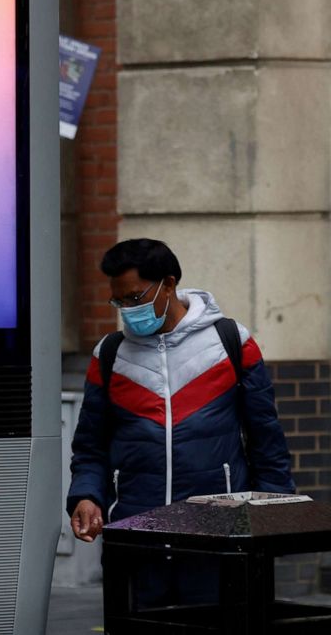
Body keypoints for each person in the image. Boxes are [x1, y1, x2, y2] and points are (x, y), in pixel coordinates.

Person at [66, 238, 294, 605]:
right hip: (136, 536)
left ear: (168, 284)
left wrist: (277, 512)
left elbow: (267, 438)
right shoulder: (109, 355)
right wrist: (87, 496)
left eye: (136, 298)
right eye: (119, 301)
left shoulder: (231, 342)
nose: (127, 309)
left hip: (219, 536)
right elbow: (90, 445)